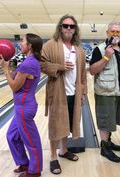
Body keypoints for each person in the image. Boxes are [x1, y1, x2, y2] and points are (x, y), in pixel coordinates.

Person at [40, 14, 87, 175]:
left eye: (71, 26)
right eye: (65, 25)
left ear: (75, 30)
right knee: (55, 125)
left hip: (74, 93)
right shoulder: (50, 45)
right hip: (57, 92)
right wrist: (59, 66)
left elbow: (82, 75)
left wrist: (83, 92)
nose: (68, 28)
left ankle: (64, 150)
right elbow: (42, 64)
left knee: (66, 125)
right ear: (60, 27)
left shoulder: (79, 50)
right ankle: (53, 157)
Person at [0, 33, 43, 177]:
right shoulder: (28, 61)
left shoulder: (29, 64)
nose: (20, 43)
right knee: (12, 136)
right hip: (21, 107)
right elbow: (15, 78)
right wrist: (7, 67)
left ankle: (35, 171)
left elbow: (14, 86)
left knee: (31, 141)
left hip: (24, 107)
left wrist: (5, 71)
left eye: (22, 41)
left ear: (29, 45)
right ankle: (24, 163)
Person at [89, 21, 120, 163]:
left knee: (112, 119)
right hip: (105, 91)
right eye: (113, 31)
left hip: (119, 91)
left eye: (118, 32)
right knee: (105, 120)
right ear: (107, 33)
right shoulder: (99, 49)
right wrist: (106, 56)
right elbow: (92, 71)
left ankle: (109, 141)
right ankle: (104, 148)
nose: (115, 34)